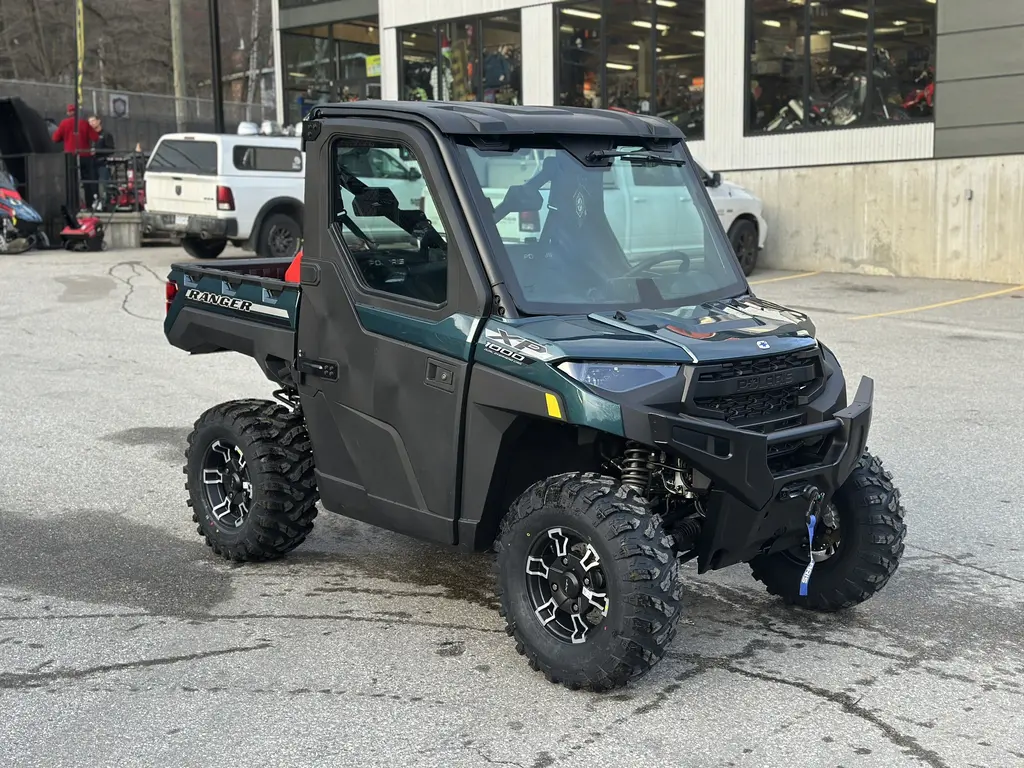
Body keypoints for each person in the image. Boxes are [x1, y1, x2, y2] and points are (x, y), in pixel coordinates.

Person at [52, 105, 100, 208]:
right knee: (87, 181)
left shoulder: (64, 123)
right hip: (85, 155)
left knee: (71, 181)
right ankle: (89, 204)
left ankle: (73, 205)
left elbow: (55, 138)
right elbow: (95, 137)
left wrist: (66, 138)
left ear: (68, 113)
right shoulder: (84, 123)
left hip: (70, 157)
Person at [88, 116, 115, 209]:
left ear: (99, 121)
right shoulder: (89, 135)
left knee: (104, 182)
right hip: (91, 162)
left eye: (93, 121)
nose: (91, 123)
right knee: (92, 182)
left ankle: (106, 202)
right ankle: (95, 199)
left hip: (102, 161)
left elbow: (111, 149)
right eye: (89, 122)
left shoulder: (106, 134)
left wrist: (98, 151)